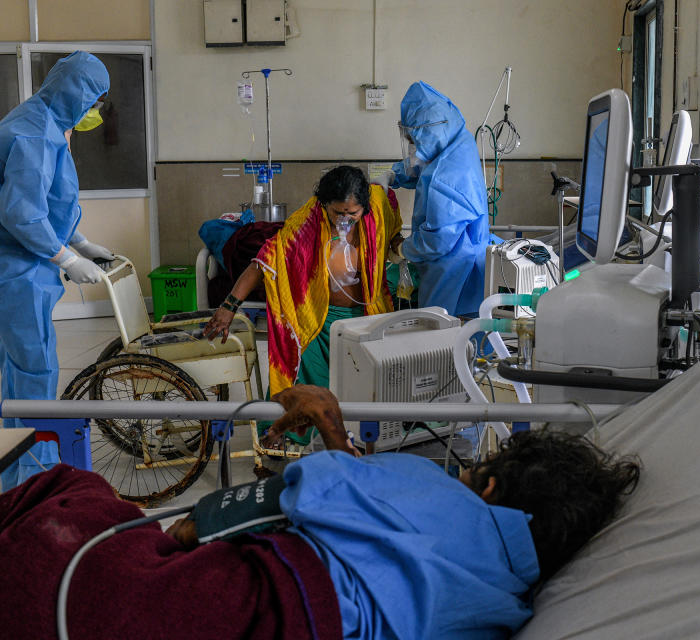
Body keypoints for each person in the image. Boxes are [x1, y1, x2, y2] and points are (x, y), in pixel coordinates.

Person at [0, 384, 641, 639]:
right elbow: (373, 520)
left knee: (74, 494)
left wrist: (325, 438)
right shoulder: (506, 605)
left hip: (265, 598)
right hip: (314, 620)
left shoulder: (448, 494)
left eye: (472, 472)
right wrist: (336, 435)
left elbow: (312, 486)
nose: (461, 477)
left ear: (493, 488)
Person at [203, 166, 403, 418]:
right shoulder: (307, 223)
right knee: (303, 383)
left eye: (352, 213)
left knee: (372, 387)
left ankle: (363, 436)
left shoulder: (378, 209)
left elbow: (393, 227)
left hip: (368, 317)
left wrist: (400, 246)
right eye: (337, 213)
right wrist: (228, 307)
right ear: (324, 205)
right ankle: (290, 434)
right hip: (318, 321)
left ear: (364, 207)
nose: (344, 219)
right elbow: (264, 262)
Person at [0, 51, 112, 489]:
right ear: (74, 94)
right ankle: (33, 472)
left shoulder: (47, 124)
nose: (96, 111)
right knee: (34, 366)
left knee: (18, 366)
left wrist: (79, 240)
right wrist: (65, 257)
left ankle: (16, 459)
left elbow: (53, 200)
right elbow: (23, 214)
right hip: (17, 267)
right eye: (94, 100)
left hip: (25, 262)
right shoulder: (32, 135)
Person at [383, 81, 492, 316]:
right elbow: (423, 165)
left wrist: (403, 249)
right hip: (461, 260)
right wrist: (393, 175)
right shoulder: (457, 142)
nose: (412, 147)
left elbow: (437, 242)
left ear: (429, 132)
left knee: (446, 338)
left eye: (413, 141)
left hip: (454, 273)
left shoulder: (447, 176)